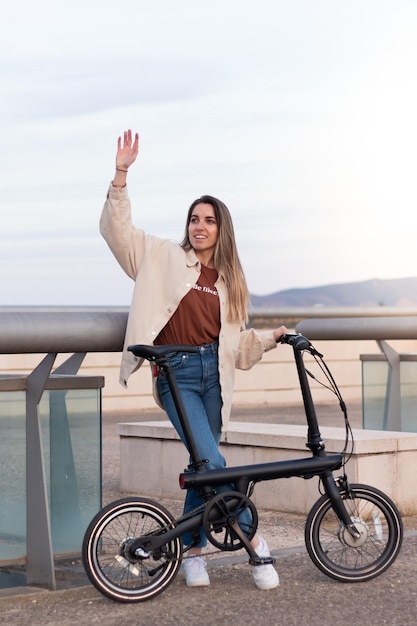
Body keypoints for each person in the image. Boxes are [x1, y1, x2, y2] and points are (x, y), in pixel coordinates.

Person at [100, 129, 288, 591]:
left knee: (203, 466)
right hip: (178, 375)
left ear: (221, 228)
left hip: (213, 379)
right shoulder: (163, 255)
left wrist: (271, 338)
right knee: (214, 463)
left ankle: (193, 553)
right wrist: (121, 174)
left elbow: (236, 349)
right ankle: (257, 544)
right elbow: (118, 234)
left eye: (208, 220)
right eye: (193, 219)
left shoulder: (230, 283)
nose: (198, 226)